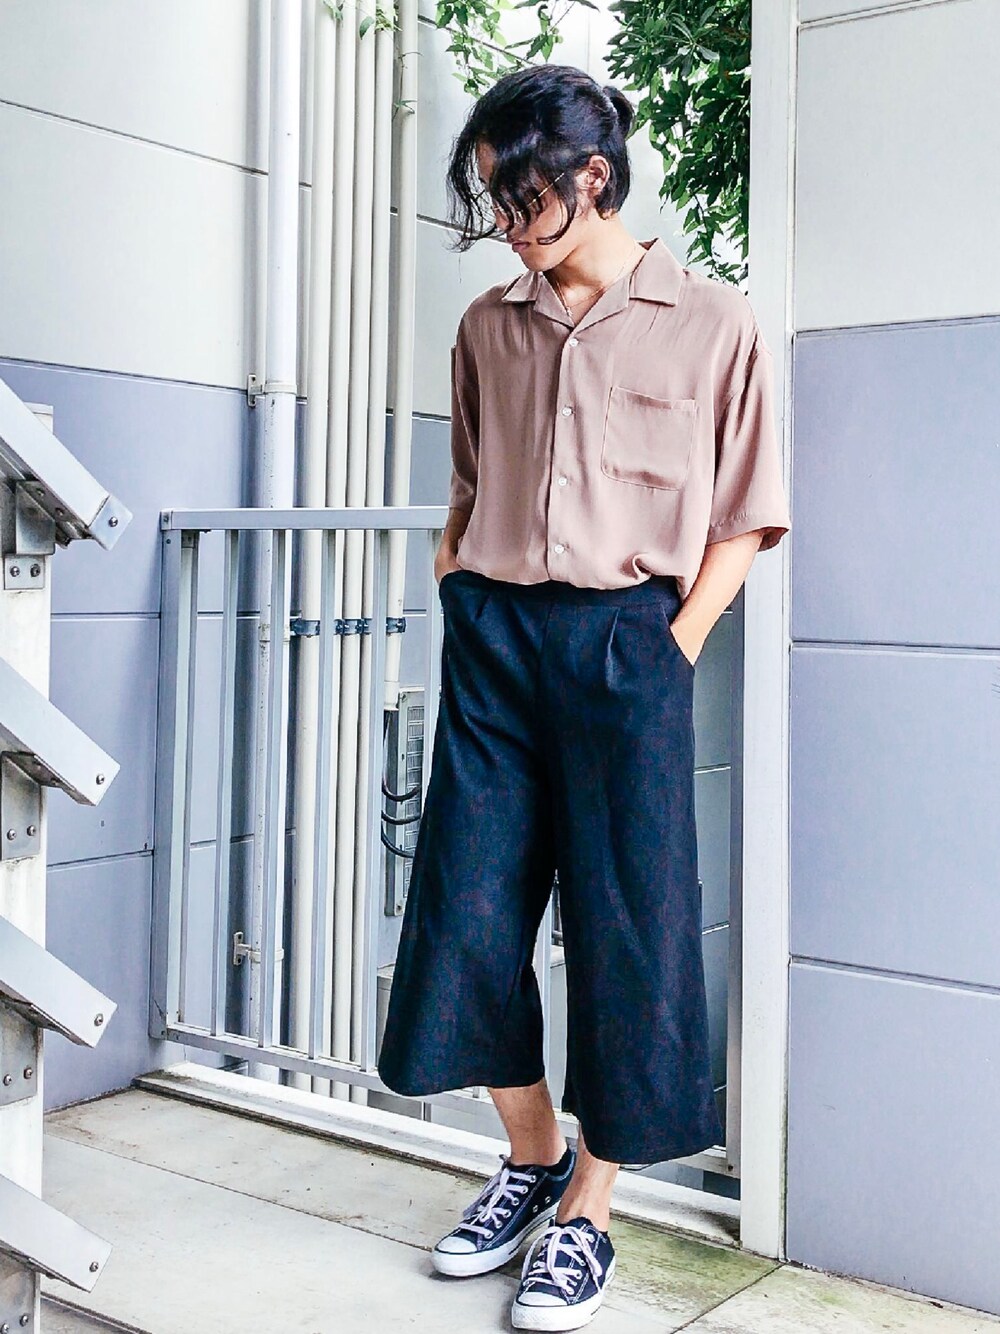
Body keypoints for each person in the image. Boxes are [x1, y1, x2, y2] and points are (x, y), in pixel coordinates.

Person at [377, 62, 791, 1332]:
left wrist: (673, 644)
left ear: (591, 177)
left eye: (521, 198)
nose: (504, 223)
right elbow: (466, 482)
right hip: (496, 640)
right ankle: (530, 1154)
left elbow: (743, 512)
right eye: (492, 201)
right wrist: (458, 585)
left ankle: (588, 1214)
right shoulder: (485, 327)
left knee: (629, 924)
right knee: (464, 911)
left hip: (629, 643)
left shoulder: (711, 322)